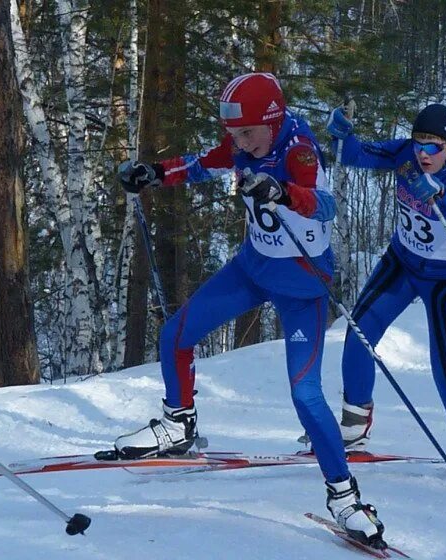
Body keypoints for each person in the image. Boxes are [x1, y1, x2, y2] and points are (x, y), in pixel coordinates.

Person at [113, 73, 385, 548]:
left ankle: (344, 497)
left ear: (272, 121)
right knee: (176, 333)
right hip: (252, 269)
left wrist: (282, 193)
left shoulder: (299, 149)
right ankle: (178, 423)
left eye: (244, 134)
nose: (237, 143)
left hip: (302, 284)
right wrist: (154, 174)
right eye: (233, 134)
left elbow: (326, 206)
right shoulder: (243, 143)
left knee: (306, 396)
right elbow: (201, 164)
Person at [326, 103, 446, 493]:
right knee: (358, 335)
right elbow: (359, 154)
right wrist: (342, 136)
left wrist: (442, 193)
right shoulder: (406, 156)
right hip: (403, 263)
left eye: (435, 147)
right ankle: (354, 428)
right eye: (420, 143)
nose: (424, 154)